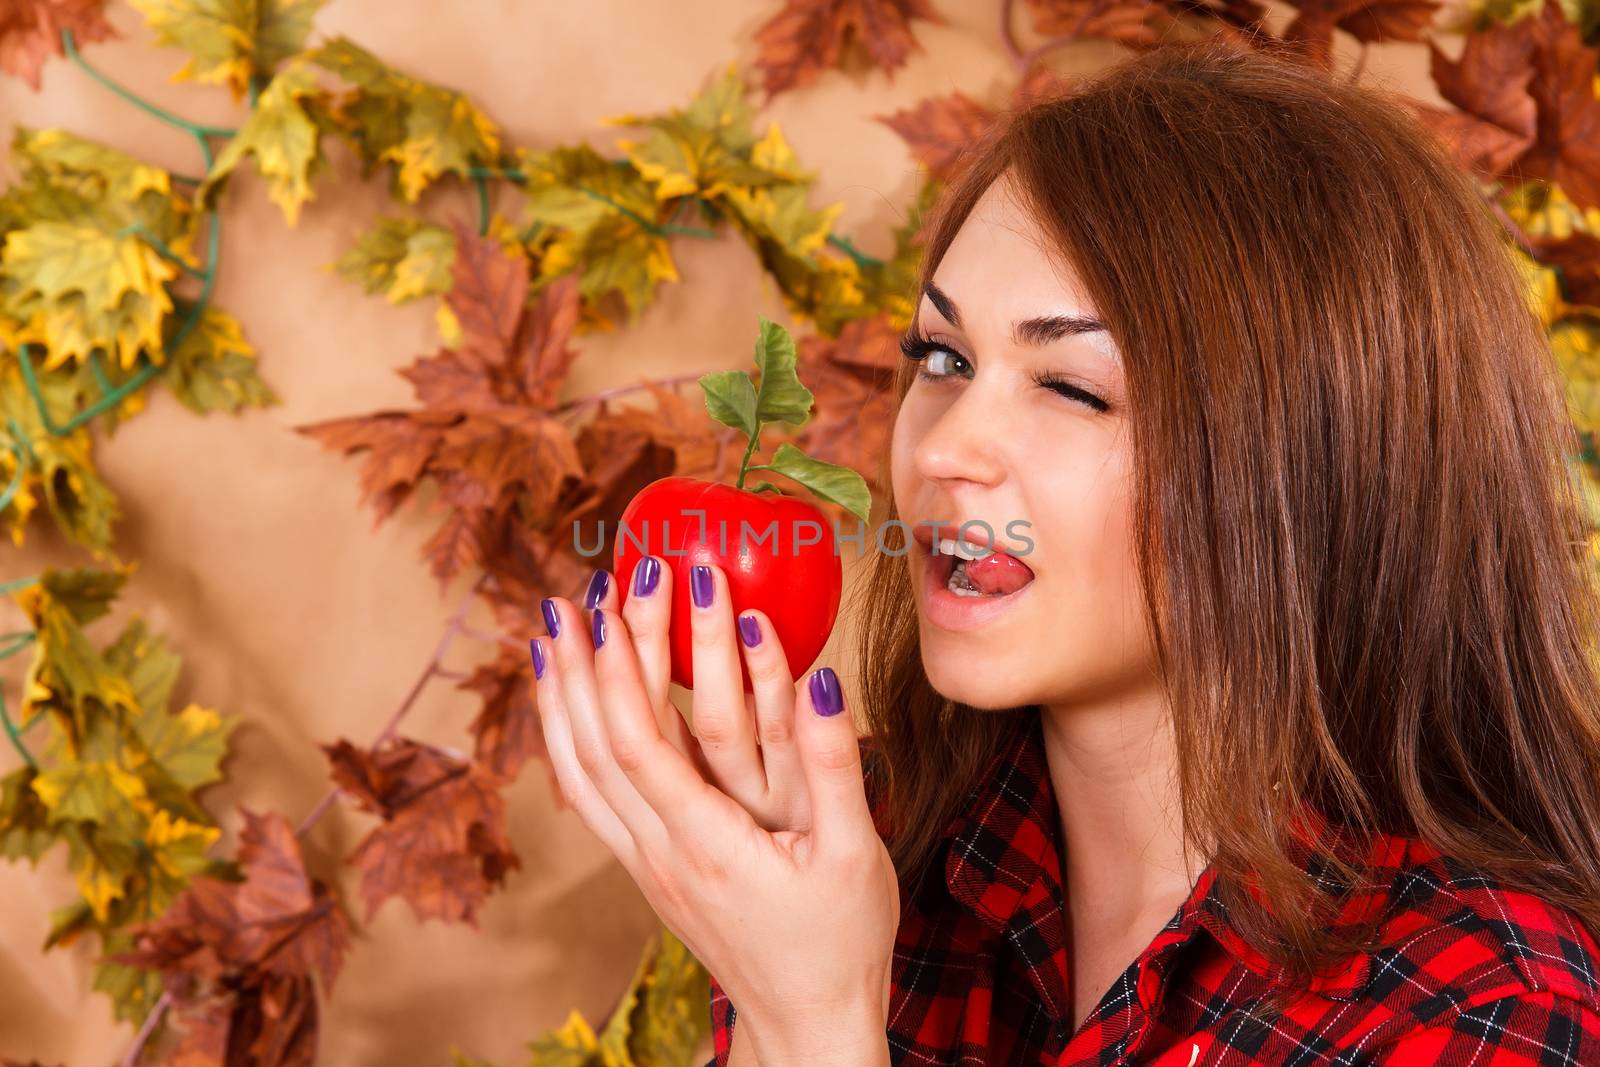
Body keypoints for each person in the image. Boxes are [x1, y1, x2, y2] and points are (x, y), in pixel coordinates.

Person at [528, 34, 1600, 1067]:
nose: (943, 447)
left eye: (1072, 387)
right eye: (942, 355)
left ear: (1309, 462)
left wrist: (814, 1026)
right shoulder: (867, 863)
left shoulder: (1486, 1000)